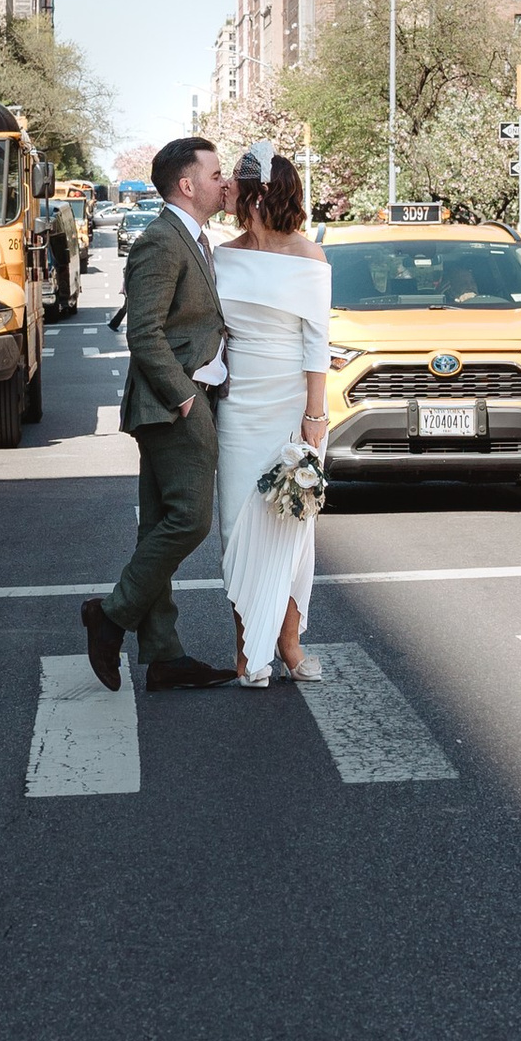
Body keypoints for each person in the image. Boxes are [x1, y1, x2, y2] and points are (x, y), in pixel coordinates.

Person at [80, 135, 235, 691]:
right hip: (173, 404)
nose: (225, 182)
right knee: (189, 520)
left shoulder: (193, 237)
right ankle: (112, 614)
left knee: (157, 526)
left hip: (183, 398)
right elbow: (144, 333)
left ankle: (164, 655)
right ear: (188, 184)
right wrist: (185, 395)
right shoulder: (161, 241)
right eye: (216, 174)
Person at [212, 150, 332, 688]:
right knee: (239, 527)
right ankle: (246, 650)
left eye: (233, 183)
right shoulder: (220, 257)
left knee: (290, 524)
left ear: (257, 194)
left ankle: (288, 643)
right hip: (238, 407)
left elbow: (316, 345)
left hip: (293, 405)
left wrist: (315, 415)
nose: (225, 190)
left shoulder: (311, 257)